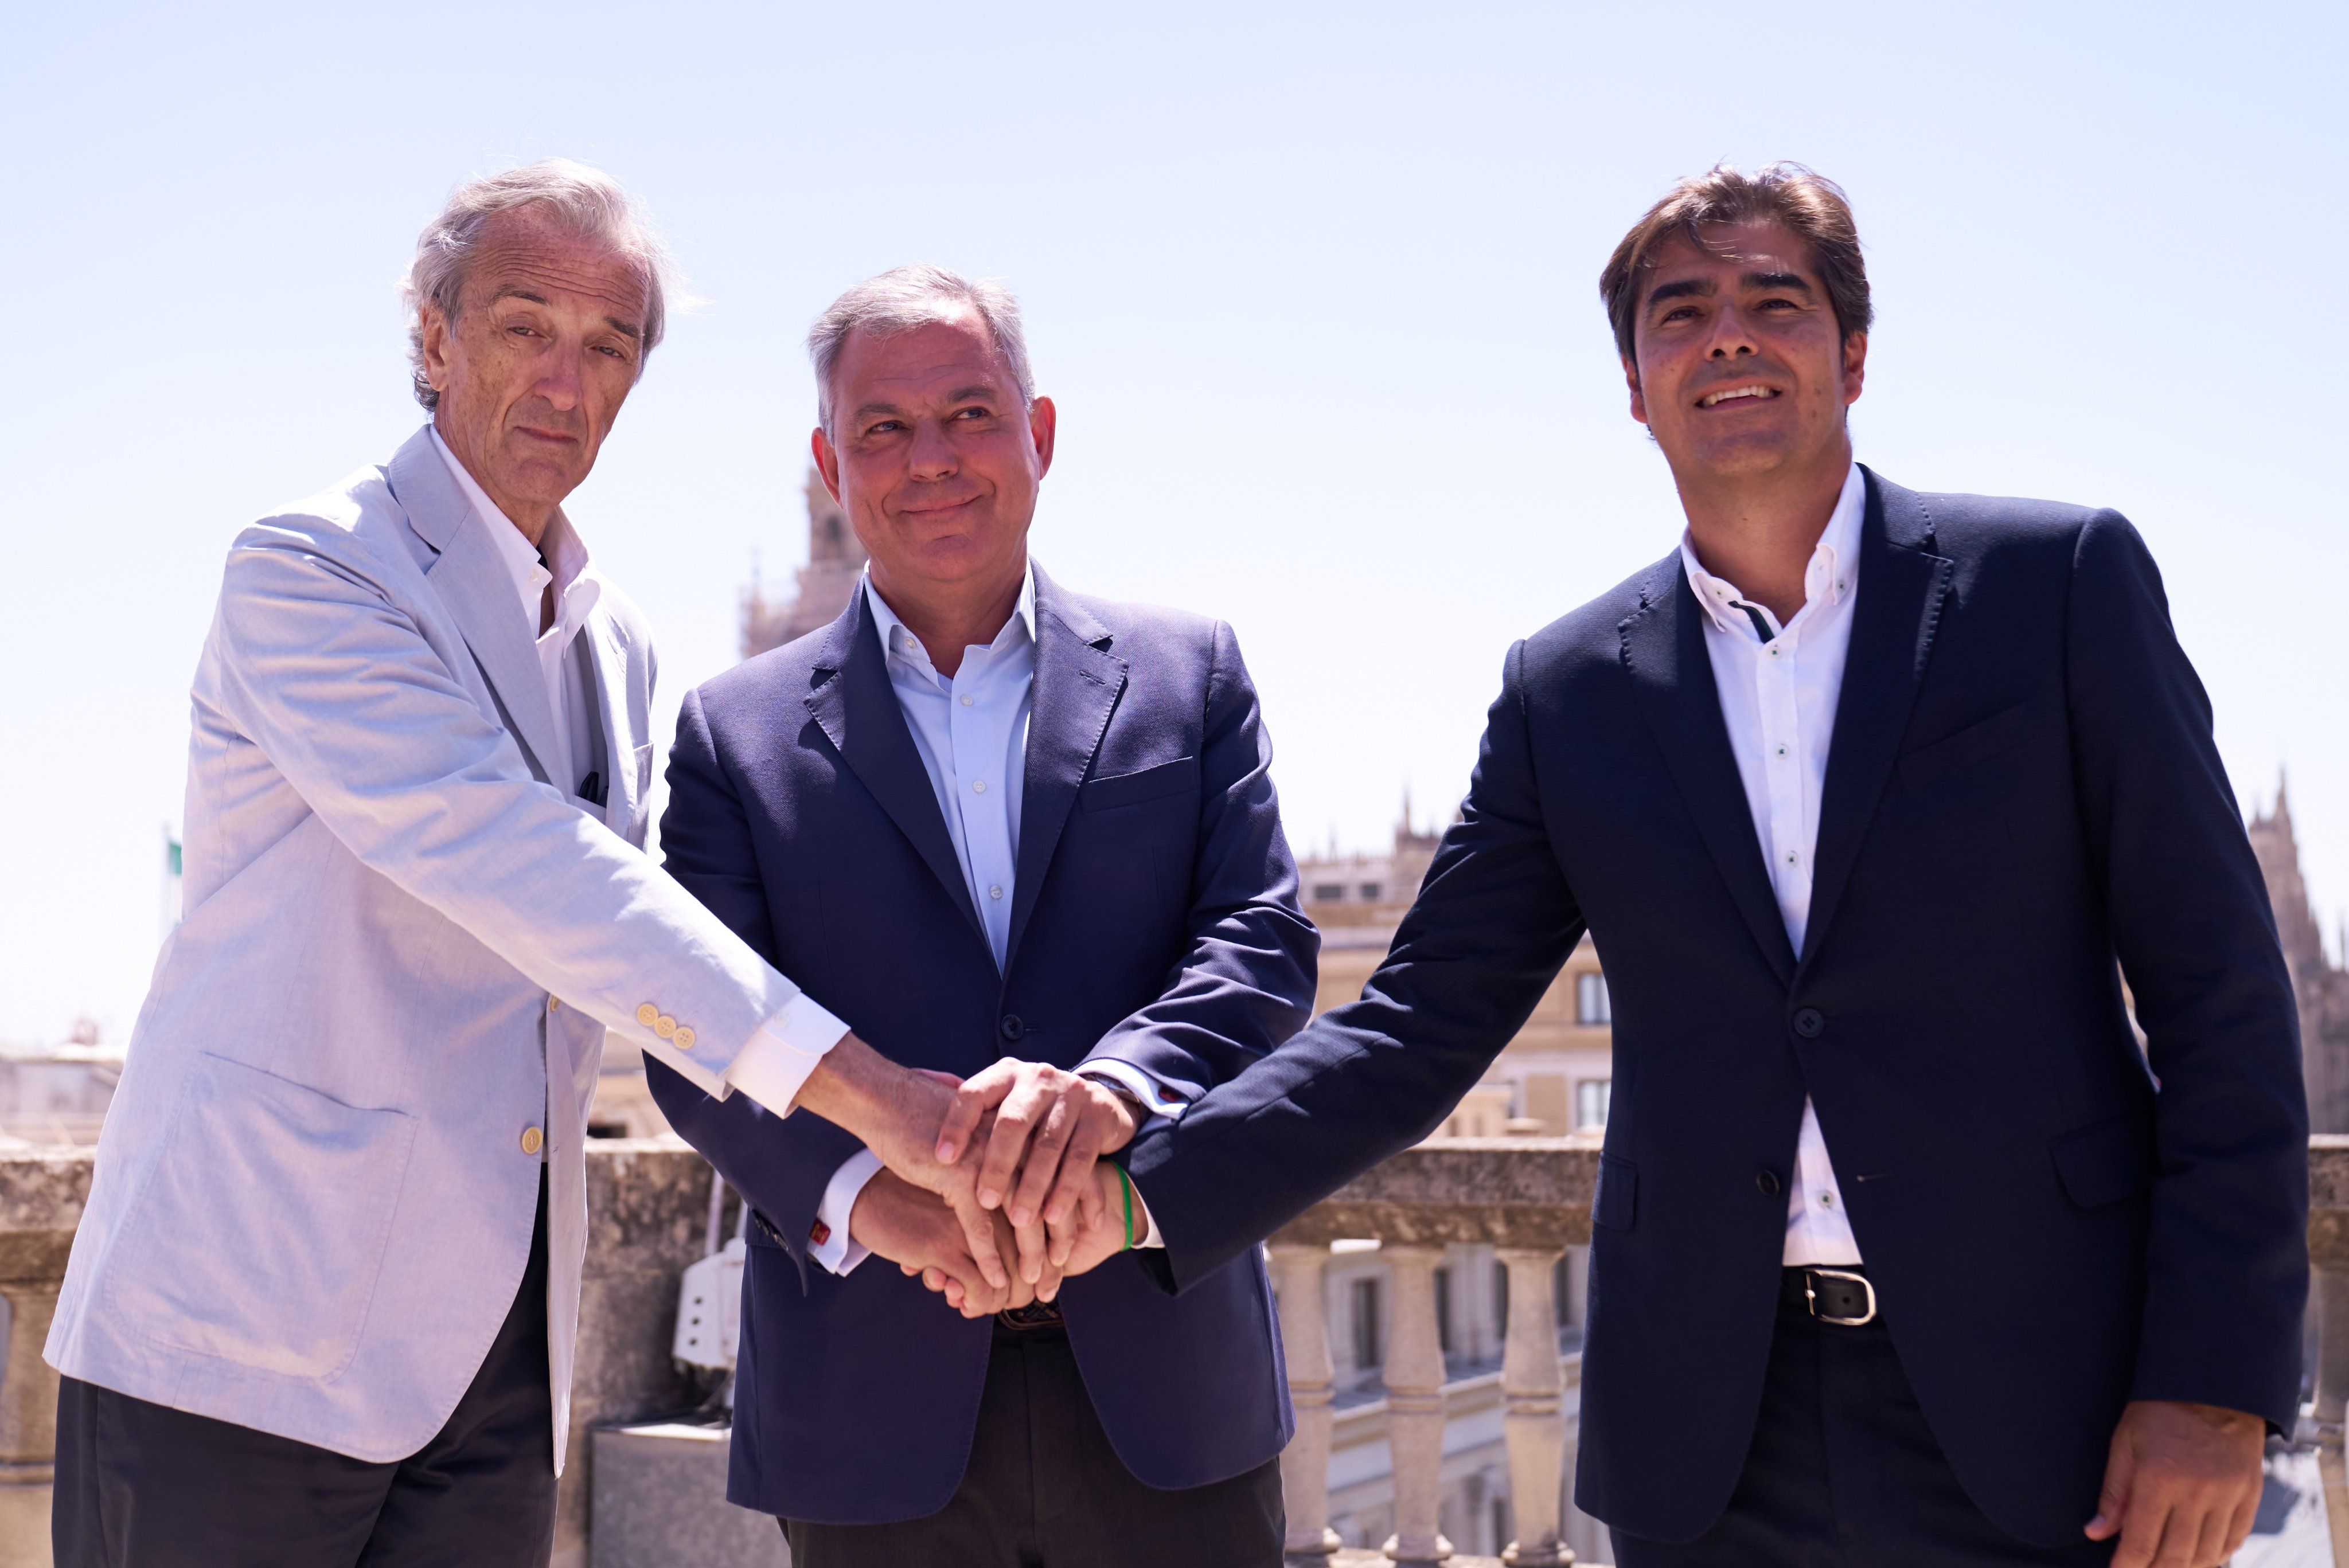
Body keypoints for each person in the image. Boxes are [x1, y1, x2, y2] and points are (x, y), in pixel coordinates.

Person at [989, 164, 2309, 1568]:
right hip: (1709, 1443)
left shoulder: (2054, 587)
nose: (1726, 336)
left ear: (1852, 353)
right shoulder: (1569, 690)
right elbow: (1411, 1025)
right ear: (1632, 385)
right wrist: (1135, 1190)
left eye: (1771, 301)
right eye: (1680, 313)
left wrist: (2215, 1380)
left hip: (2048, 1408)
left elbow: (2218, 992)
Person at [45, 163, 1000, 1567]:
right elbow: (522, 865)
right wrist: (875, 1097)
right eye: (520, 326)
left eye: (607, 346)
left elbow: (630, 974)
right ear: (431, 342)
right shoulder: (314, 569)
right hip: (239, 1343)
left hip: (495, 1363)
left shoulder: (616, 643)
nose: (565, 378)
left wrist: (859, 1195)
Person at [644, 264, 1317, 1567]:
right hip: (866, 1416)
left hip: (1169, 1389)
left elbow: (1261, 942)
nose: (930, 460)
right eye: (883, 429)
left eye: (967, 414)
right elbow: (693, 1027)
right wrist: (867, 1202)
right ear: (830, 464)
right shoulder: (732, 734)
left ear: (1039, 435)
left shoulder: (1190, 674)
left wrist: (1114, 1091)